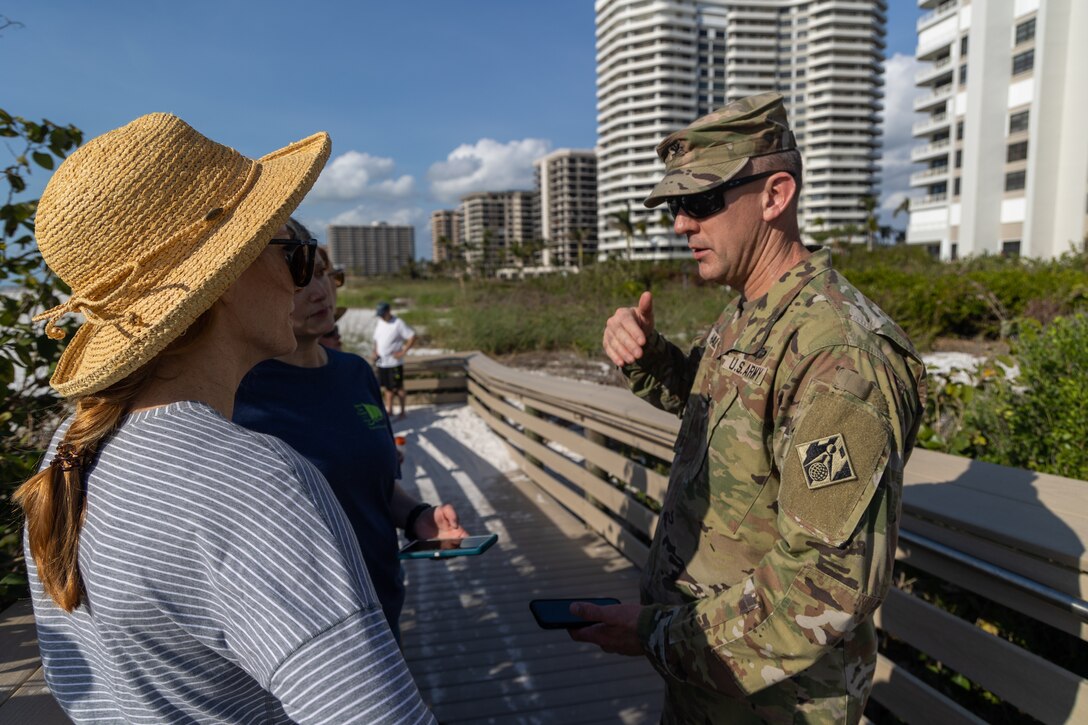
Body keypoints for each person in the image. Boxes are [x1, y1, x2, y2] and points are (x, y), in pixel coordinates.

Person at [15, 113, 435, 723]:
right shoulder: (251, 481)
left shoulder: (72, 449)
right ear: (227, 275)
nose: (302, 285)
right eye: (294, 255)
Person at [574, 93, 926, 723]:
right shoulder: (752, 311)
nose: (682, 223)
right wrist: (649, 358)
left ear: (774, 196)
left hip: (777, 700)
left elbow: (822, 585)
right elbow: (736, 421)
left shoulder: (840, 353)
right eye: (677, 206)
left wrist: (656, 637)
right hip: (712, 674)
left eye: (702, 202)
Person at [234, 220, 466, 640]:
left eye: (322, 272)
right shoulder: (240, 394)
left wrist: (418, 517)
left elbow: (368, 481)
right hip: (305, 629)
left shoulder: (356, 372)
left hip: (382, 600)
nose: (320, 291)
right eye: (298, 282)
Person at [373, 300, 416, 419]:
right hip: (382, 362)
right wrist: (375, 351)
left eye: (382, 314)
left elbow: (412, 336)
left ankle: (402, 412)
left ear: (388, 311)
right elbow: (377, 339)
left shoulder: (398, 323)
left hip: (394, 363)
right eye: (379, 314)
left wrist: (403, 352)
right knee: (387, 388)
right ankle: (389, 410)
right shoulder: (380, 322)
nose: (381, 316)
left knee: (398, 387)